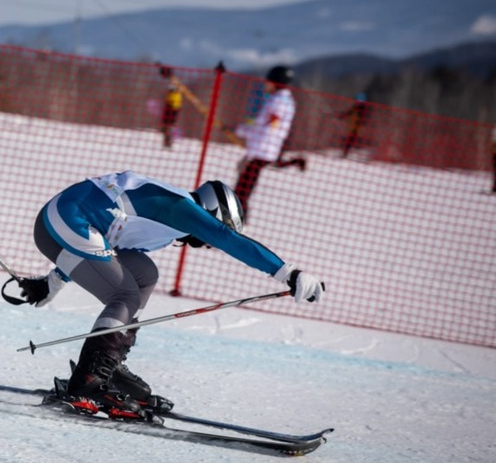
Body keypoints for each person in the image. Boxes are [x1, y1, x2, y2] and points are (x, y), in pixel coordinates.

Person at [16, 171, 324, 414]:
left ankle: (109, 368)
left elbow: (98, 251)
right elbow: (227, 239)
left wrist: (51, 283)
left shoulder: (167, 227)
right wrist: (289, 273)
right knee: (125, 296)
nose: (207, 242)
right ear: (212, 212)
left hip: (66, 224)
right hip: (63, 222)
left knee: (144, 274)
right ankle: (89, 380)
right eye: (213, 230)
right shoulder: (180, 207)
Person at [233, 65, 304, 217]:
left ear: (276, 83)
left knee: (244, 186)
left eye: (268, 82)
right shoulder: (280, 99)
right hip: (262, 149)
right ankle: (239, 212)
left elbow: (267, 126)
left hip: (263, 149)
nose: (266, 84)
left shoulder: (278, 101)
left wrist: (244, 131)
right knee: (244, 183)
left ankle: (239, 215)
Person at [339, 92, 371, 158]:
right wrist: (342, 116)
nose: (358, 102)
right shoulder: (355, 107)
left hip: (357, 127)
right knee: (350, 139)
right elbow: (348, 113)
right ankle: (345, 152)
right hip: (354, 127)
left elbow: (362, 118)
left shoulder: (363, 109)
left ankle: (347, 152)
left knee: (352, 140)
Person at [160, 81, 182, 148]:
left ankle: (168, 143)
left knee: (168, 128)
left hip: (171, 113)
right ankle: (167, 142)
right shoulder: (173, 94)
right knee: (166, 128)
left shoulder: (175, 95)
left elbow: (175, 105)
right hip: (170, 113)